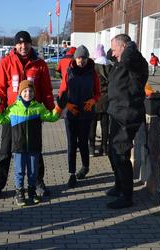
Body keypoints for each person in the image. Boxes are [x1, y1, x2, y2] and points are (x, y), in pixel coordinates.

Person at [0, 31, 55, 198]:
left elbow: (47, 90)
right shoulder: (6, 62)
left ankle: (38, 182)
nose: (23, 46)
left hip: (33, 115)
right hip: (12, 115)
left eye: (26, 43)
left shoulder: (40, 64)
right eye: (20, 44)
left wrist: (51, 109)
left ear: (30, 45)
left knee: (35, 151)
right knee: (5, 150)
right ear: (15, 45)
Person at [0, 80, 66, 206]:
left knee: (33, 171)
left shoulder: (39, 107)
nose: (28, 93)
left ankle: (32, 191)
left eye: (31, 91)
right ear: (20, 93)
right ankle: (19, 192)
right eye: (25, 91)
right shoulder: (13, 108)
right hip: (18, 146)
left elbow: (52, 117)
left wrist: (59, 107)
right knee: (19, 171)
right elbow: (1, 120)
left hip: (34, 146)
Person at [106, 34, 148, 209]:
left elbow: (129, 57)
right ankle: (119, 185)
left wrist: (129, 46)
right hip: (116, 112)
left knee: (121, 154)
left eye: (115, 49)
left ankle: (127, 196)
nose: (113, 54)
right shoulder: (121, 59)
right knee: (112, 151)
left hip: (127, 114)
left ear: (124, 47)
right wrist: (116, 51)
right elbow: (111, 55)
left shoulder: (134, 59)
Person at [58, 45, 101, 188]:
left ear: (88, 58)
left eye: (84, 58)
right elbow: (62, 92)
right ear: (75, 58)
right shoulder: (69, 71)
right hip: (71, 113)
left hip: (86, 113)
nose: (81, 61)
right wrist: (66, 105)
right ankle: (71, 174)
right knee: (71, 144)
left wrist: (93, 100)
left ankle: (85, 167)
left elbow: (98, 93)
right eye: (79, 58)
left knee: (83, 142)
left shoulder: (92, 73)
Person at [89, 44, 112, 156]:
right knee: (105, 124)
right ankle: (104, 148)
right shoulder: (110, 66)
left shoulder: (93, 67)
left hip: (95, 98)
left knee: (92, 124)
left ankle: (92, 148)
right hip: (107, 99)